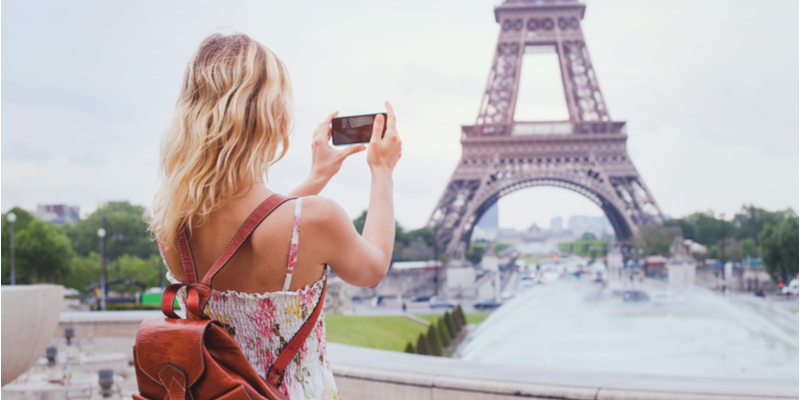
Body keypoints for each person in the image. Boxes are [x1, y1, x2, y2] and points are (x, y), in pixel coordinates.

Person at [145, 33, 402, 399]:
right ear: (273, 116)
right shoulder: (317, 219)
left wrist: (316, 178)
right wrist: (382, 171)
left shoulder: (171, 223)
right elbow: (372, 268)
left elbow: (248, 233)